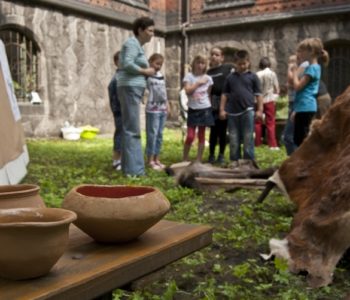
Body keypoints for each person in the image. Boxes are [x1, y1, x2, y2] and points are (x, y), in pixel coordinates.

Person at [117, 17, 156, 176]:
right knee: (133, 129)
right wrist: (145, 71)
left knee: (129, 128)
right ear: (140, 30)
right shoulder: (132, 43)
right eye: (150, 30)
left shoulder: (136, 45)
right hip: (130, 87)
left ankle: (129, 169)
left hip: (132, 88)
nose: (152, 34)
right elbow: (127, 63)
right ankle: (136, 171)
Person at [219, 50, 263, 165]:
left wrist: (259, 110)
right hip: (232, 113)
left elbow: (258, 94)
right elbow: (224, 94)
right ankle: (235, 160)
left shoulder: (253, 77)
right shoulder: (230, 78)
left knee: (248, 137)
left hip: (247, 111)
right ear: (235, 63)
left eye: (244, 63)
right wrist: (222, 109)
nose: (242, 66)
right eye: (239, 63)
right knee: (233, 138)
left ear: (248, 62)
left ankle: (248, 161)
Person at [291, 38, 327, 146]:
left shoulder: (312, 68)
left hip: (306, 106)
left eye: (301, 50)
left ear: (310, 51)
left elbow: (297, 86)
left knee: (301, 140)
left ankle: (306, 160)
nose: (299, 53)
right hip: (304, 106)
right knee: (299, 138)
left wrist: (294, 73)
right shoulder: (313, 67)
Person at [183, 55, 214, 162]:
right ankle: (185, 158)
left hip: (205, 108)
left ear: (205, 65)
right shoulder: (189, 77)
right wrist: (198, 83)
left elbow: (208, 94)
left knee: (202, 135)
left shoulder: (209, 78)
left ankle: (198, 159)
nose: (200, 65)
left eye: (202, 63)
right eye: (198, 63)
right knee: (190, 135)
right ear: (194, 64)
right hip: (193, 108)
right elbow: (187, 91)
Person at [207, 46, 232, 164]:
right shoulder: (208, 72)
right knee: (213, 131)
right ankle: (211, 154)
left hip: (225, 102)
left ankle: (221, 154)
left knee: (222, 130)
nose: (214, 57)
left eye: (217, 55)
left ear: (222, 57)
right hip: (212, 102)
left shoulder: (228, 68)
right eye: (212, 54)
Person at [145, 53, 168, 170]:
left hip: (162, 108)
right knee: (152, 134)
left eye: (161, 64)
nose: (158, 66)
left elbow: (164, 91)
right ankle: (149, 160)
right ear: (150, 62)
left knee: (159, 135)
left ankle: (156, 159)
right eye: (156, 63)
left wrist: (167, 104)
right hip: (152, 109)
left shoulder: (161, 75)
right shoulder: (147, 75)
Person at [255, 57, 280, 150]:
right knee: (270, 122)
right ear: (269, 64)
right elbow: (277, 88)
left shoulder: (257, 74)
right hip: (269, 99)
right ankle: (272, 144)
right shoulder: (272, 74)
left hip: (258, 101)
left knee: (257, 123)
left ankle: (257, 143)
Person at [108, 51, 122, 171]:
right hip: (119, 111)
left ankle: (122, 159)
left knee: (124, 135)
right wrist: (116, 109)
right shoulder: (116, 78)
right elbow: (113, 96)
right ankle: (116, 160)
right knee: (119, 135)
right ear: (117, 62)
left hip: (124, 111)